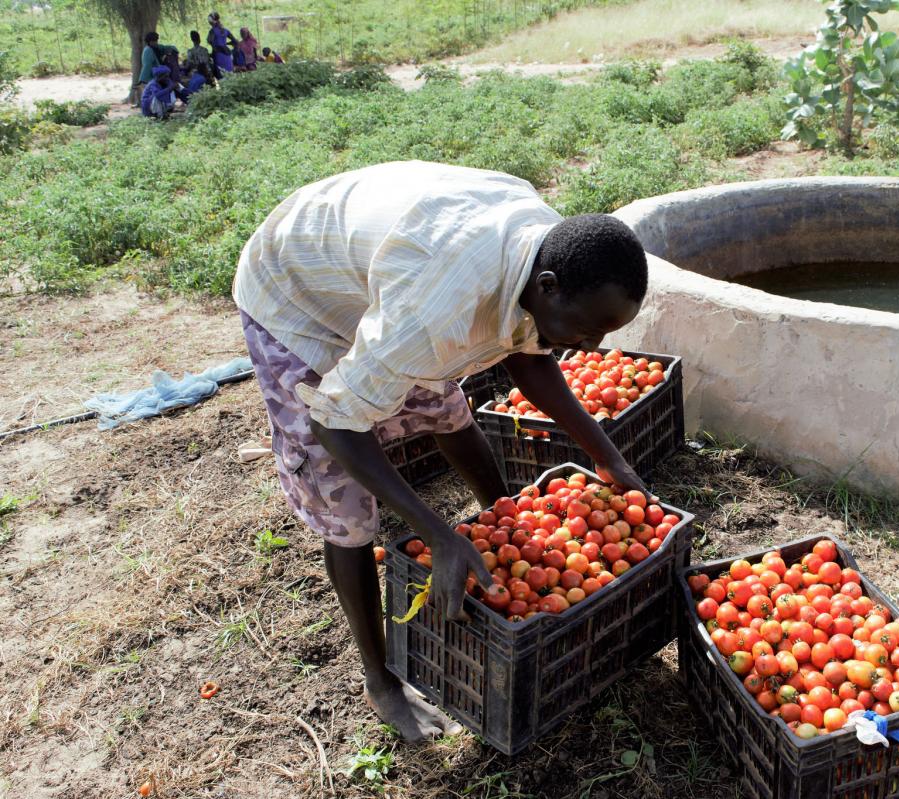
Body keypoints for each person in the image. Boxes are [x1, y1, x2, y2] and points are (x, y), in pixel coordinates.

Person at [232, 161, 651, 740]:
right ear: (548, 286)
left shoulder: (548, 254)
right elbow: (335, 422)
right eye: (584, 332)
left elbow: (530, 355)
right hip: (296, 293)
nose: (591, 346)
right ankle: (380, 681)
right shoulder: (437, 310)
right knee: (346, 508)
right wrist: (435, 530)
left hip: (384, 282)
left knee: (443, 407)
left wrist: (609, 455)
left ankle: (502, 525)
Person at [207, 12, 237, 76]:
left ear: (211, 22)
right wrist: (225, 44)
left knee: (221, 76)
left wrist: (215, 48)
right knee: (230, 76)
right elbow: (235, 41)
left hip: (219, 55)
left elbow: (210, 41)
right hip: (227, 55)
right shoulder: (225, 30)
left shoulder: (212, 31)